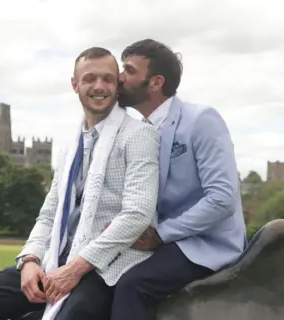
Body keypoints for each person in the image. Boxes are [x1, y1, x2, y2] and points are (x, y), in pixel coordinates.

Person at [0, 47, 160, 320]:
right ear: (75, 84)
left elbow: (137, 213)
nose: (99, 86)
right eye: (89, 78)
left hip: (105, 268)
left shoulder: (139, 135)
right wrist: (30, 260)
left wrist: (75, 268)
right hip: (52, 262)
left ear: (117, 84)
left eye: (107, 79)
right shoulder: (71, 145)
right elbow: (49, 213)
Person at [111, 39, 248, 320]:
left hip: (205, 243)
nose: (119, 77)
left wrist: (161, 234)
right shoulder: (136, 131)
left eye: (129, 70)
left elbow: (222, 198)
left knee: (132, 285)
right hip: (163, 241)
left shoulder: (202, 120)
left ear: (155, 82)